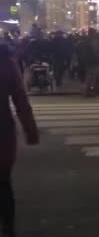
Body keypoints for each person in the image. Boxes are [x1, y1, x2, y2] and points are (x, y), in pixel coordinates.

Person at [0, 44, 39, 237]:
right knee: (3, 184)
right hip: (2, 131)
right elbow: (20, 98)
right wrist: (30, 130)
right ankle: (8, 228)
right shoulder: (6, 61)